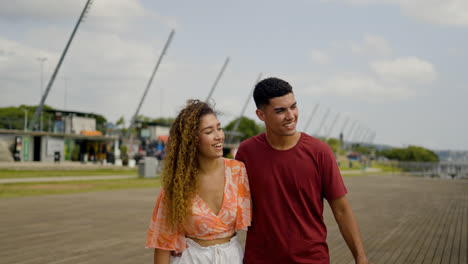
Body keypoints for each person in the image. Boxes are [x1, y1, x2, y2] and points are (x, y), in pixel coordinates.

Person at [235, 77, 368, 264]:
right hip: (260, 259)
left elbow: (342, 210)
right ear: (261, 115)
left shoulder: (320, 152)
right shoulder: (247, 152)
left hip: (311, 260)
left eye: (293, 106)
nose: (291, 116)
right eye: (280, 110)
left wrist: (361, 258)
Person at [146, 99, 252, 264]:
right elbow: (162, 242)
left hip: (232, 257)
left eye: (219, 128)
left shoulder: (237, 171)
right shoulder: (178, 183)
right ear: (192, 139)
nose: (219, 136)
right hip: (192, 259)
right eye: (209, 131)